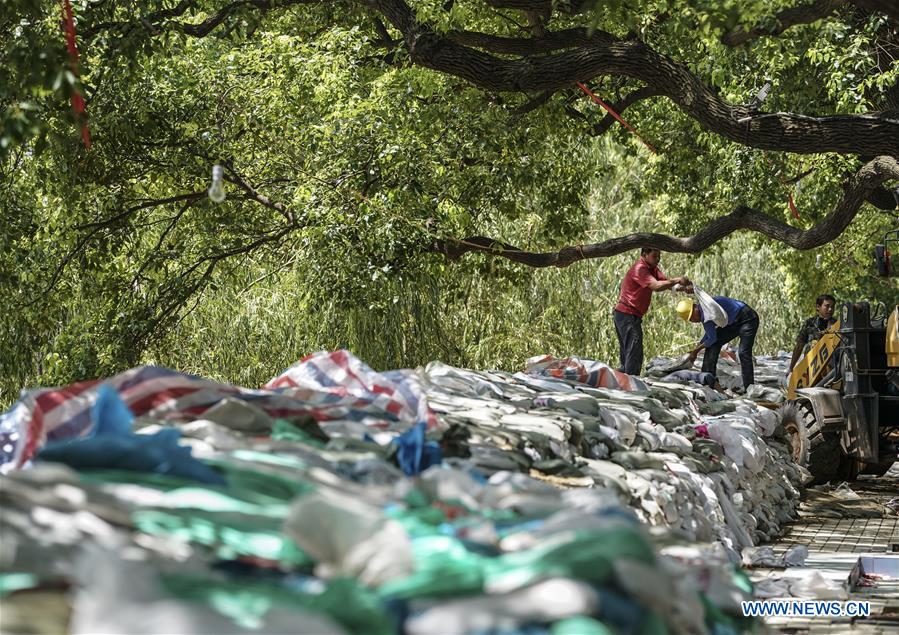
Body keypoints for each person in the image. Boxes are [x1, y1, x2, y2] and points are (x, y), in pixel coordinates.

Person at [614, 247, 691, 375]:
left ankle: (624, 381)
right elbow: (656, 286)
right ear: (644, 254)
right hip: (627, 314)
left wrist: (684, 288)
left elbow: (666, 283)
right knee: (634, 352)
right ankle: (631, 385)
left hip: (628, 315)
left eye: (659, 256)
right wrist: (678, 279)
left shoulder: (652, 268)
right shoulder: (640, 269)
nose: (658, 259)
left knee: (629, 353)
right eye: (655, 256)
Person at [677, 295, 760, 390]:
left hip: (748, 318)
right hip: (733, 323)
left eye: (692, 317)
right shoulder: (704, 315)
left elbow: (711, 338)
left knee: (743, 353)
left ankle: (749, 387)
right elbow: (710, 335)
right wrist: (696, 347)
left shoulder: (709, 307)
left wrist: (696, 351)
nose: (693, 321)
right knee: (713, 345)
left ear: (695, 308)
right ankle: (708, 380)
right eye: (690, 320)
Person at [788, 294, 837, 373]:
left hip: (832, 370)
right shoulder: (809, 323)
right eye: (827, 306)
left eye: (833, 306)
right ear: (818, 307)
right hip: (811, 370)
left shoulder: (837, 325)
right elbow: (799, 346)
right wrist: (791, 368)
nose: (830, 309)